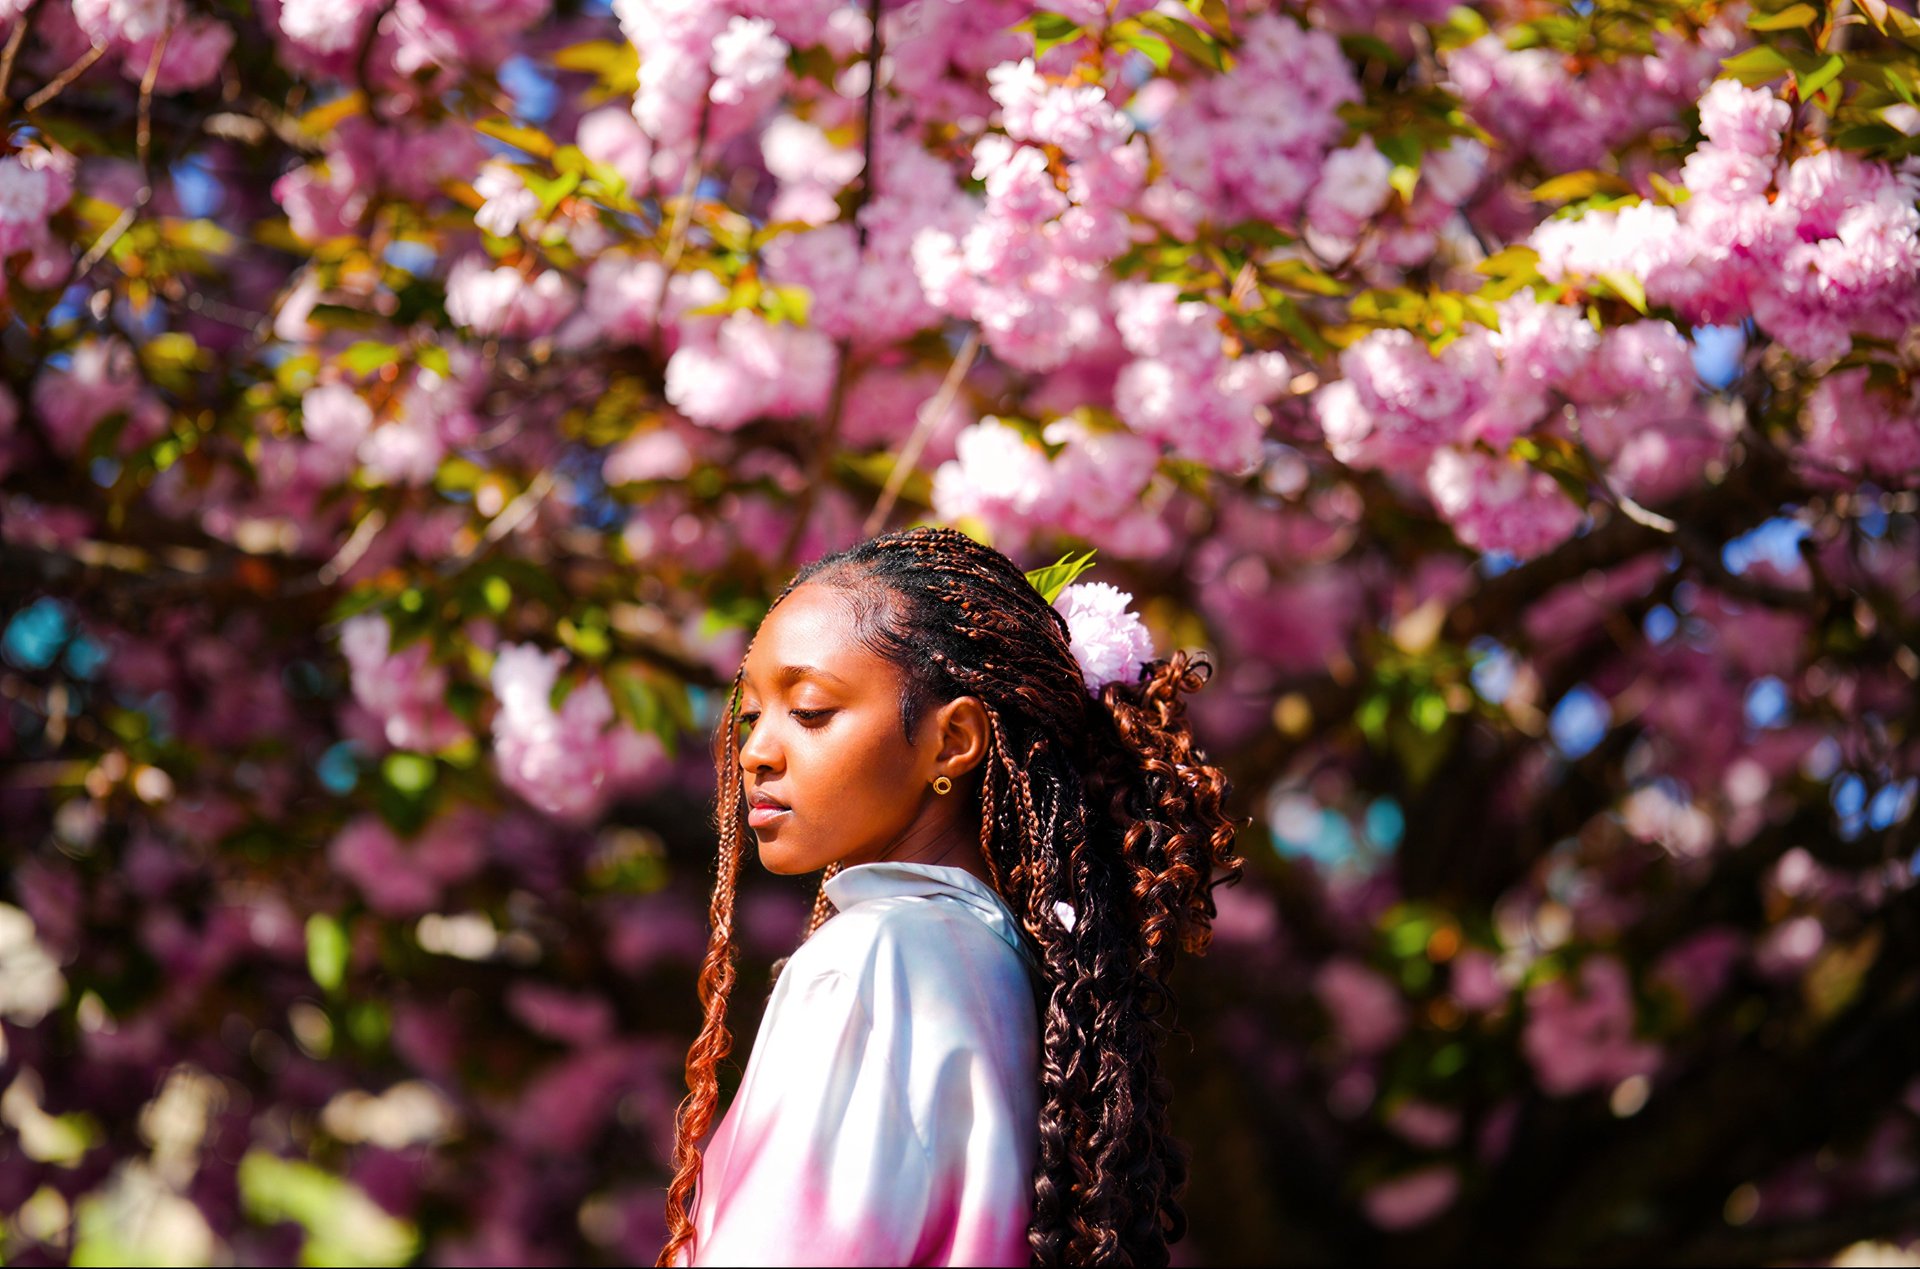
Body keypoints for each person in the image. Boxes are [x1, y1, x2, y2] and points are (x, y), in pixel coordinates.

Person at [657, 526, 1240, 1268]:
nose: (756, 750)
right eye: (749, 716)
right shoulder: (1008, 968)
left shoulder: (875, 955)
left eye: (808, 710)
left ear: (951, 741)